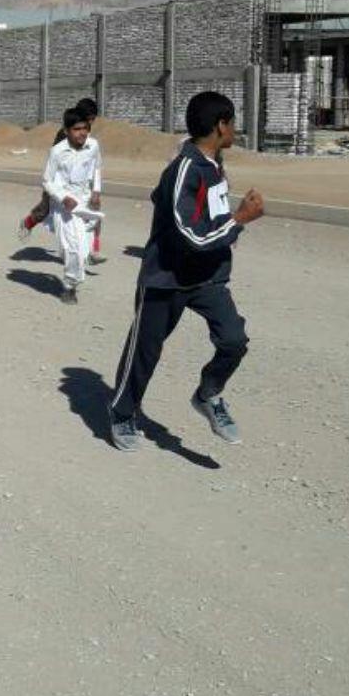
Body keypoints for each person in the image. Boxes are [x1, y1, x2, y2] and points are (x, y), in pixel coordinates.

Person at [107, 91, 264, 453]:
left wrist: (229, 218)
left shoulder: (213, 163)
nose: (235, 129)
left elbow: (195, 211)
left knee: (233, 340)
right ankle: (121, 412)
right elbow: (189, 233)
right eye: (233, 122)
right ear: (221, 126)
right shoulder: (186, 168)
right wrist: (240, 219)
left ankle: (209, 394)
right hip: (166, 278)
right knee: (145, 350)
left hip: (207, 276)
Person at [18, 98, 105, 264]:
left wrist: (96, 189)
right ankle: (28, 223)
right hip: (59, 184)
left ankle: (94, 249)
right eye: (91, 118)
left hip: (83, 186)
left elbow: (94, 164)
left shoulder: (89, 138)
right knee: (44, 211)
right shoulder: (64, 135)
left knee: (93, 212)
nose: (92, 122)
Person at [41, 107, 103, 304]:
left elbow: (97, 167)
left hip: (85, 201)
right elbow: (47, 181)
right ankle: (70, 286)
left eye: (85, 128)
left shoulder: (93, 145)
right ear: (66, 131)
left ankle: (74, 274)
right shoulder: (57, 151)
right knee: (72, 247)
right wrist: (62, 197)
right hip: (65, 204)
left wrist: (96, 191)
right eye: (76, 129)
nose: (82, 133)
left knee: (83, 250)